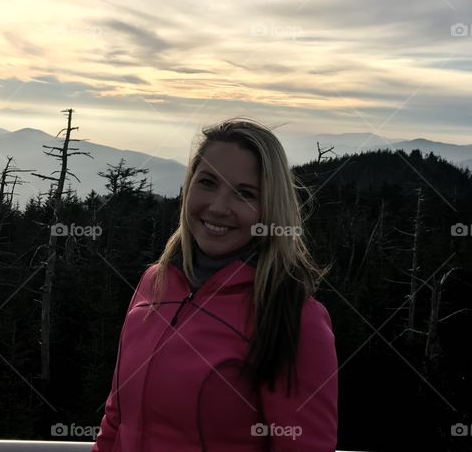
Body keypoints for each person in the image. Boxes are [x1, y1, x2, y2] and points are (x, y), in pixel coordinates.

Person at [93, 117, 338, 451]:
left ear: (269, 210)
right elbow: (115, 421)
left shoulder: (292, 315)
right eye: (208, 182)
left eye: (244, 193)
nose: (219, 207)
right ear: (189, 184)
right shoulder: (154, 282)